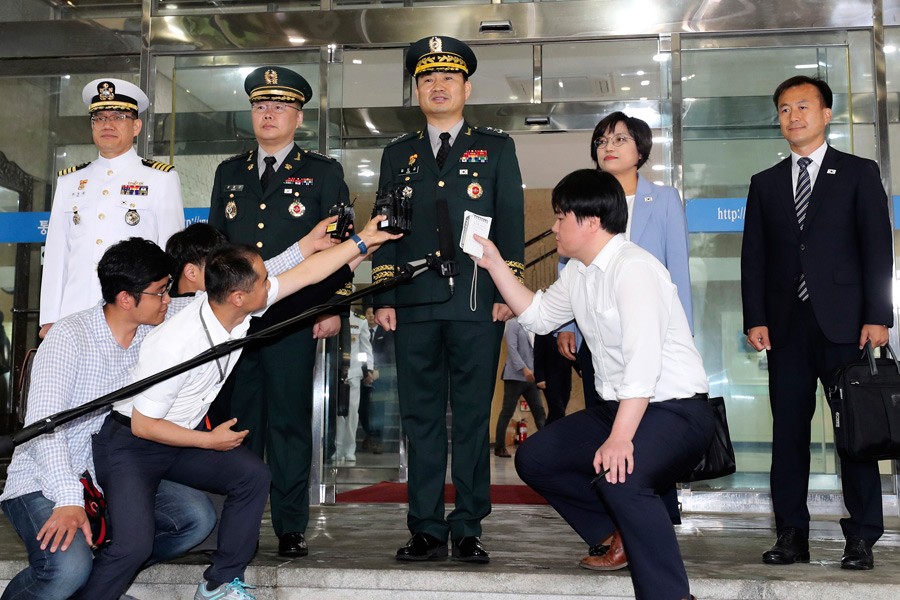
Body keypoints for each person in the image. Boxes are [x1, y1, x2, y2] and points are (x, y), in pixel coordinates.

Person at [77, 217, 400, 600]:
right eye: (264, 280)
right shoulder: (176, 342)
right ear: (237, 297)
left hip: (175, 439)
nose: (272, 284)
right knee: (133, 546)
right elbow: (145, 426)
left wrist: (362, 241)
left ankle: (218, 583)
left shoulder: (238, 310)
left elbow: (307, 273)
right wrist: (207, 441)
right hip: (131, 444)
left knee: (251, 476)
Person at [475, 168, 713, 600]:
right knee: (536, 457)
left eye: (561, 217)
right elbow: (540, 316)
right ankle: (617, 533)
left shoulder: (634, 268)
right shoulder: (579, 273)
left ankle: (670, 595)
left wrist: (621, 439)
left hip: (675, 409)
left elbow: (644, 363)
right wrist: (494, 265)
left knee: (621, 477)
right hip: (621, 407)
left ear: (590, 221)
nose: (553, 227)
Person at [372, 35, 524, 563]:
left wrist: (509, 290)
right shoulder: (398, 154)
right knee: (421, 417)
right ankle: (427, 527)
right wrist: (383, 294)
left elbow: (509, 221)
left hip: (479, 302)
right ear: (416, 90)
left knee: (474, 413)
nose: (438, 86)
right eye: (427, 79)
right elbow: (386, 229)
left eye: (448, 78)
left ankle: (469, 526)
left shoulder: (496, 147)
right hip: (413, 304)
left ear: (467, 87)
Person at [1, 239, 216, 600]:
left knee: (194, 518)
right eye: (161, 292)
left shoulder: (154, 325)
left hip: (109, 471)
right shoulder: (70, 337)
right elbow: (43, 431)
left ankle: (98, 589)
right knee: (67, 568)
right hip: (44, 477)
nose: (169, 299)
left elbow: (231, 295)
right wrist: (68, 499)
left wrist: (312, 248)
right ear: (125, 298)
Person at [742, 75, 893, 570]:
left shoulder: (858, 172)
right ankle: (791, 534)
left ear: (827, 114)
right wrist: (755, 317)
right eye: (784, 109)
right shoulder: (764, 183)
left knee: (855, 433)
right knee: (788, 433)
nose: (793, 116)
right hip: (786, 327)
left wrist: (879, 316)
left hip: (847, 326)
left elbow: (877, 249)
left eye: (803, 107)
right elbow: (754, 258)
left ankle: (862, 537)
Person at [208, 65, 351, 557]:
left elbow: (338, 249)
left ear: (298, 115)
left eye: (280, 106)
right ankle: (241, 525)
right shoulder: (229, 173)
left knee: (290, 423)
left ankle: (290, 525)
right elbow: (215, 252)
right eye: (260, 105)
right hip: (239, 321)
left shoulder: (323, 172)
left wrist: (332, 307)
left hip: (295, 316)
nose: (268, 114)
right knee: (241, 424)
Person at [559, 110, 696, 567]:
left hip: (652, 337)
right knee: (609, 419)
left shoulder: (663, 199)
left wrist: (683, 337)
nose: (608, 146)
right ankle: (620, 529)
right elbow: (571, 270)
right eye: (601, 140)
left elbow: (678, 271)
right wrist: (566, 326)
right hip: (600, 337)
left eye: (619, 138)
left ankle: (655, 531)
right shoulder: (585, 199)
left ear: (640, 149)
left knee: (653, 436)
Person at [40, 78, 185, 338]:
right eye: (99, 118)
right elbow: (56, 256)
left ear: (136, 126)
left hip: (136, 317)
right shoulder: (69, 181)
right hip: (75, 314)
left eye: (118, 116)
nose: (107, 124)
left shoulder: (160, 179)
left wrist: (167, 317)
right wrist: (50, 319)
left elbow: (170, 256)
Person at [494, 317, 546, 457]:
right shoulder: (512, 324)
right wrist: (523, 368)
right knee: (507, 412)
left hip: (532, 377)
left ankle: (546, 446)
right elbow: (511, 348)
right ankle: (499, 446)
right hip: (515, 376)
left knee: (539, 412)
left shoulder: (532, 323)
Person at [333, 309, 373, 463]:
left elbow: (365, 347)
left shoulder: (359, 320)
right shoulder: (332, 315)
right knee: (336, 414)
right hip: (334, 372)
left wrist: (368, 368)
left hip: (354, 372)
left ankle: (350, 449)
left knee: (352, 413)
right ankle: (337, 448)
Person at [532, 332, 572, 424]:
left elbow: (572, 352)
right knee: (558, 411)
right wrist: (539, 377)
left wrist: (580, 368)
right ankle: (551, 436)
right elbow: (538, 355)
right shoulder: (542, 331)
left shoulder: (567, 330)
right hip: (549, 379)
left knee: (558, 412)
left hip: (565, 377)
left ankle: (546, 436)